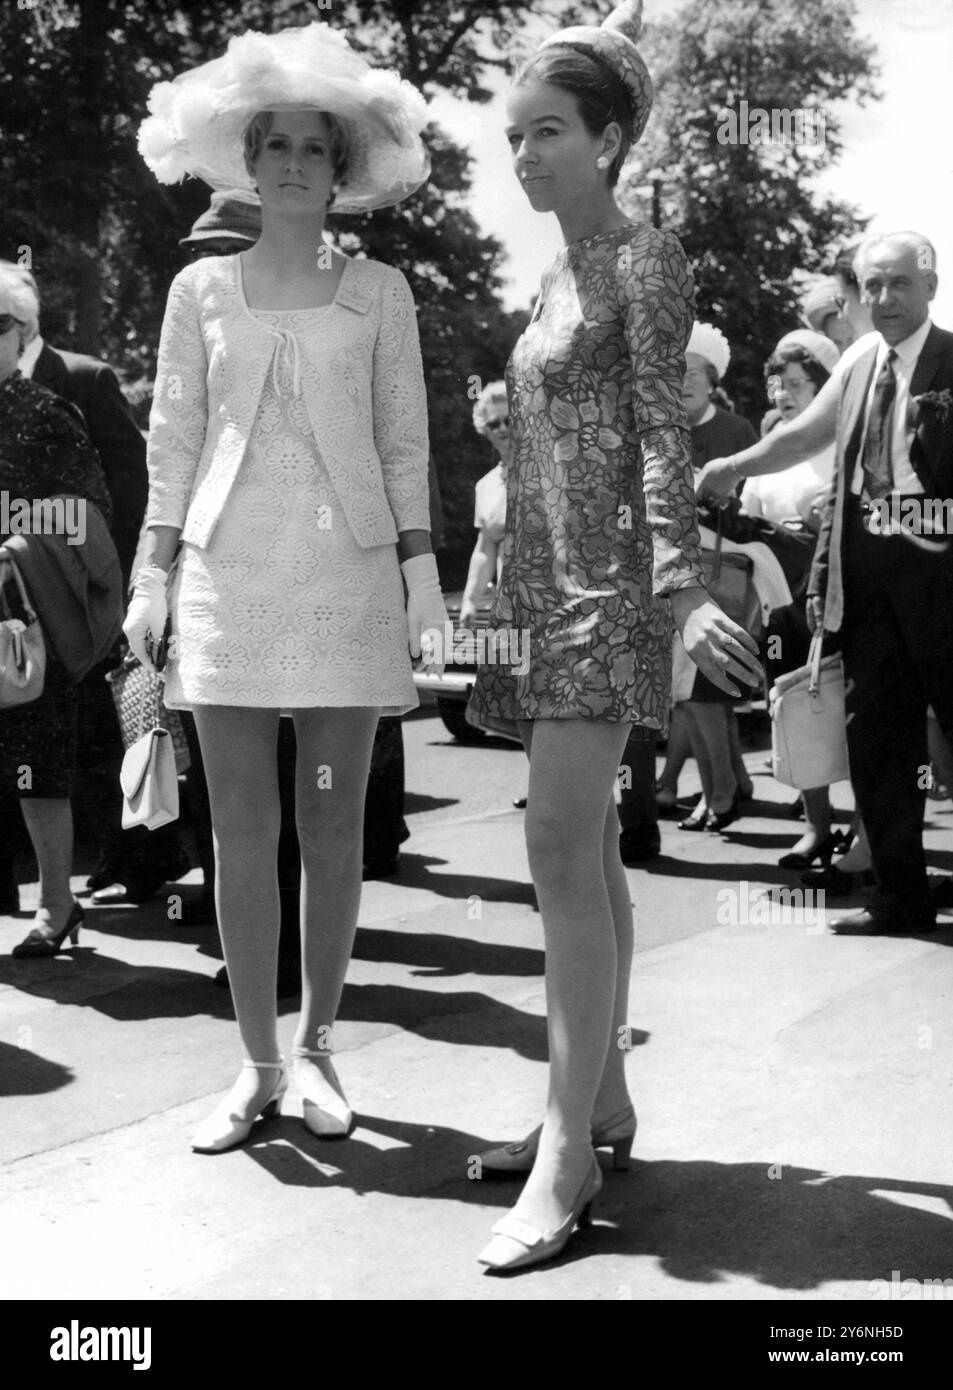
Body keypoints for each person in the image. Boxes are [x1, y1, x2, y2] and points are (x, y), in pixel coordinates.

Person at [465, 1, 761, 1271]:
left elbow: (655, 433)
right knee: (584, 847)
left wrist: (682, 585)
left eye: (546, 133)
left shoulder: (643, 260)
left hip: (610, 592)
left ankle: (563, 1153)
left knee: (550, 840)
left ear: (609, 137)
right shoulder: (554, 270)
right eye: (513, 134)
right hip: (539, 594)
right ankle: (599, 1108)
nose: (521, 156)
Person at [131, 21, 443, 1151]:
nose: (298, 165)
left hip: (347, 579)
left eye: (319, 148)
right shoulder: (198, 289)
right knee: (240, 829)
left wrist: (420, 573)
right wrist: (150, 577)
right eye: (279, 146)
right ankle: (255, 1062)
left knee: (328, 820)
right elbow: (171, 440)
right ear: (249, 160)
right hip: (225, 580)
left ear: (344, 167)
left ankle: (316, 1050)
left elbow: (405, 440)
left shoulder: (381, 291)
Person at [0, 261, 188, 910]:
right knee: (42, 746)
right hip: (21, 608)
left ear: (23, 329)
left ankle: (140, 860)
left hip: (84, 592)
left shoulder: (82, 380)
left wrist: (137, 583)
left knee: (120, 727)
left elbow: (128, 492)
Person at [806, 232, 953, 936]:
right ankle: (899, 898)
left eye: (898, 284)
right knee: (877, 743)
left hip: (944, 582)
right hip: (868, 587)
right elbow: (825, 458)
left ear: (929, 286)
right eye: (871, 286)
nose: (883, 299)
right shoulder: (860, 364)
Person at [0, 269, 119, 957]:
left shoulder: (45, 412)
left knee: (36, 765)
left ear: (21, 334)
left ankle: (56, 902)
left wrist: (10, 533)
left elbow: (88, 515)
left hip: (24, 623)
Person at [738, 329, 842, 867]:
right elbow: (747, 522)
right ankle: (817, 826)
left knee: (850, 715)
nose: (782, 395)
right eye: (777, 384)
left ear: (823, 387)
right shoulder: (768, 451)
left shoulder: (843, 441)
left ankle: (868, 835)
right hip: (782, 604)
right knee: (793, 713)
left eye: (796, 384)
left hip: (837, 600)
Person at [665, 322, 758, 831]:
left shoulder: (736, 431)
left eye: (693, 373)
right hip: (669, 576)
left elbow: (747, 509)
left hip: (720, 575)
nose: (683, 382)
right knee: (690, 697)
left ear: (712, 379)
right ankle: (728, 783)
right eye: (674, 372)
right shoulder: (659, 429)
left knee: (703, 693)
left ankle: (720, 792)